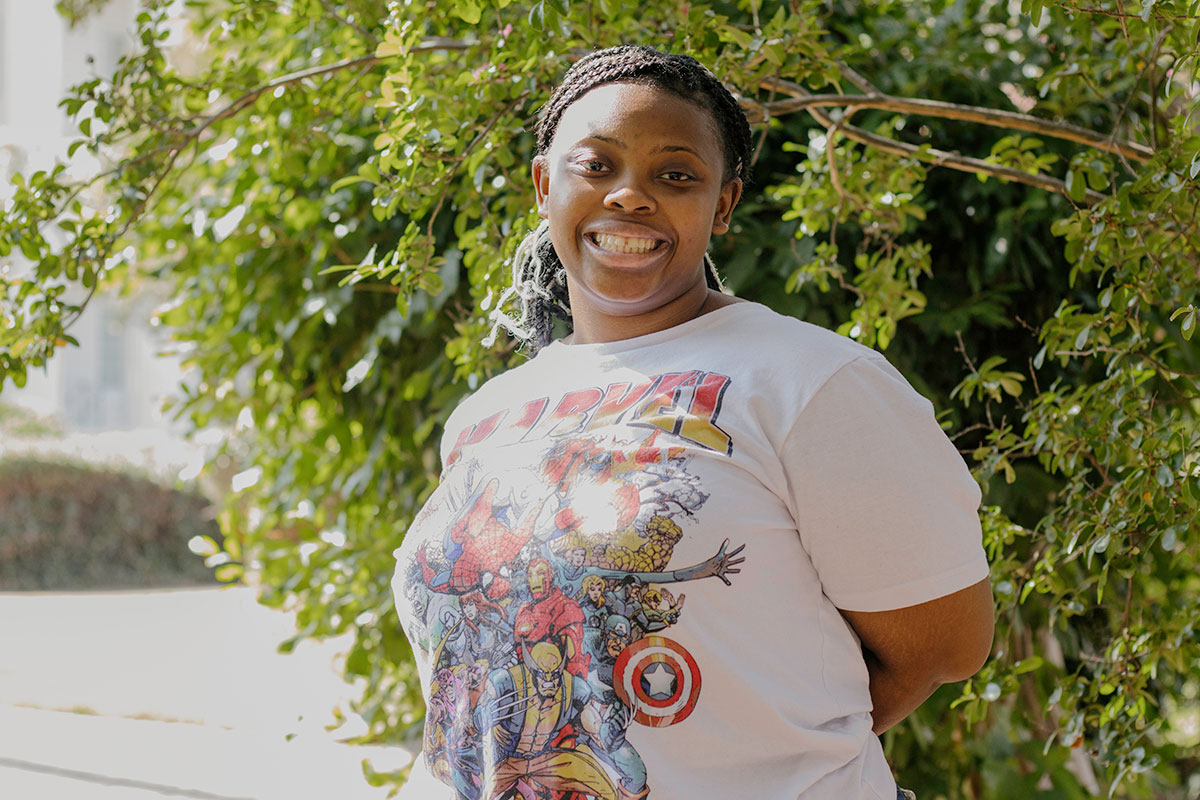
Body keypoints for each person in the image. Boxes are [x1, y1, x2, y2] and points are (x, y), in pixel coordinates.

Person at [392, 44, 993, 800]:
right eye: (596, 166)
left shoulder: (811, 384)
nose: (630, 197)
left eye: (675, 175)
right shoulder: (487, 415)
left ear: (725, 203)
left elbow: (941, 647)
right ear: (545, 185)